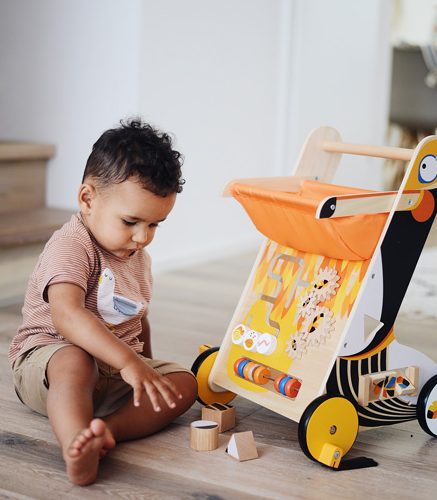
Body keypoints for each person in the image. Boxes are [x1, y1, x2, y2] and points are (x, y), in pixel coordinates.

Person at [8, 118, 198, 486]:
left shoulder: (137, 257)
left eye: (155, 225)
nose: (143, 237)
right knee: (76, 359)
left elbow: (138, 319)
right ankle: (74, 444)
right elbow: (66, 315)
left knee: (184, 384)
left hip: (111, 372)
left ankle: (104, 433)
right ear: (87, 199)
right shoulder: (72, 245)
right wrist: (128, 362)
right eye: (131, 221)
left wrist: (144, 367)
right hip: (50, 362)